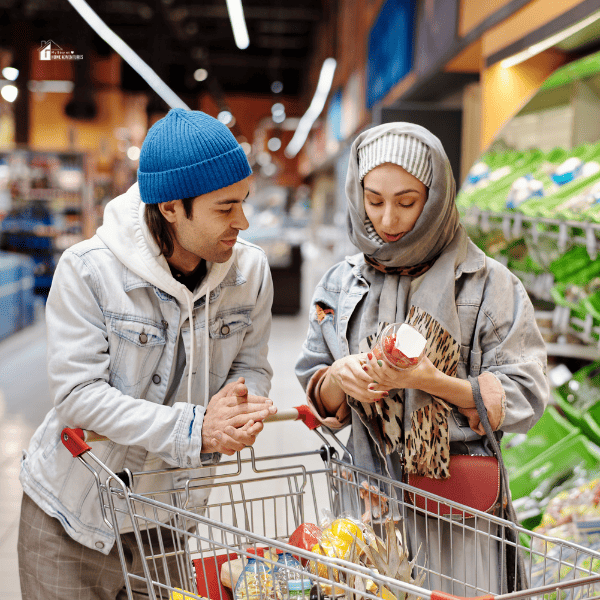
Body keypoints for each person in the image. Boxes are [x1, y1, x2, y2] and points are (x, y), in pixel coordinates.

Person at [18, 108, 276, 598]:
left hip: (167, 519)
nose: (242, 222)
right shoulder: (89, 271)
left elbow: (251, 365)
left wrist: (241, 406)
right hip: (71, 519)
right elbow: (78, 395)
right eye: (225, 208)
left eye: (243, 202)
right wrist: (197, 428)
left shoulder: (250, 274)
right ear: (172, 207)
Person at [295, 123, 549, 595]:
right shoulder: (340, 284)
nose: (387, 219)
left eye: (407, 202)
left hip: (457, 515)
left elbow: (527, 393)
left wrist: (434, 381)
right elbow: (318, 384)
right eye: (373, 200)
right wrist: (340, 376)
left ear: (434, 197)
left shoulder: (488, 286)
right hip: (366, 504)